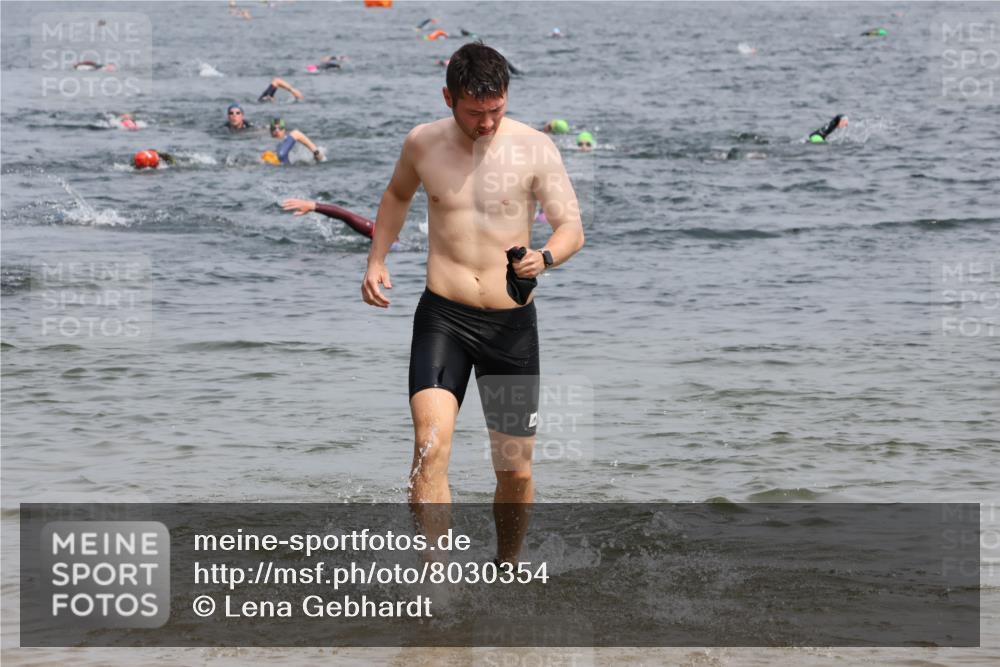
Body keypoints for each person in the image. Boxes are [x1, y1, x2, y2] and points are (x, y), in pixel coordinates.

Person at [361, 43, 584, 563]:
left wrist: (545, 258)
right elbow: (396, 196)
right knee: (429, 446)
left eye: (496, 111)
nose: (487, 123)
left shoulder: (534, 148)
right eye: (474, 112)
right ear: (448, 98)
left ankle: (507, 566)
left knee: (515, 470)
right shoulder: (422, 144)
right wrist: (376, 259)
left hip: (510, 328)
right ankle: (435, 578)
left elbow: (572, 226)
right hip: (444, 317)